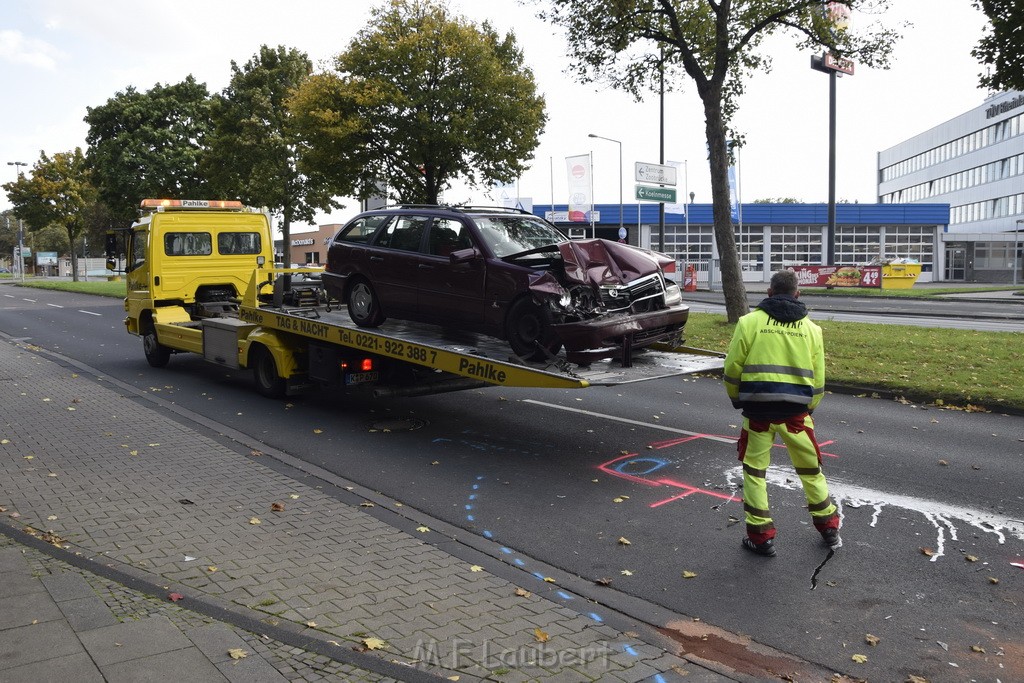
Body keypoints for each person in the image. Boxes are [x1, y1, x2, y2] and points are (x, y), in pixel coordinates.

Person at [724, 269, 840, 557]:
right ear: (798, 294)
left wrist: (738, 400)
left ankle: (760, 537)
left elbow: (731, 369)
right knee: (811, 471)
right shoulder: (812, 330)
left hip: (758, 414)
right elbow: (819, 380)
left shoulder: (749, 323)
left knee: (754, 473)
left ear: (769, 292)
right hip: (796, 416)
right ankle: (828, 527)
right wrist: (807, 408)